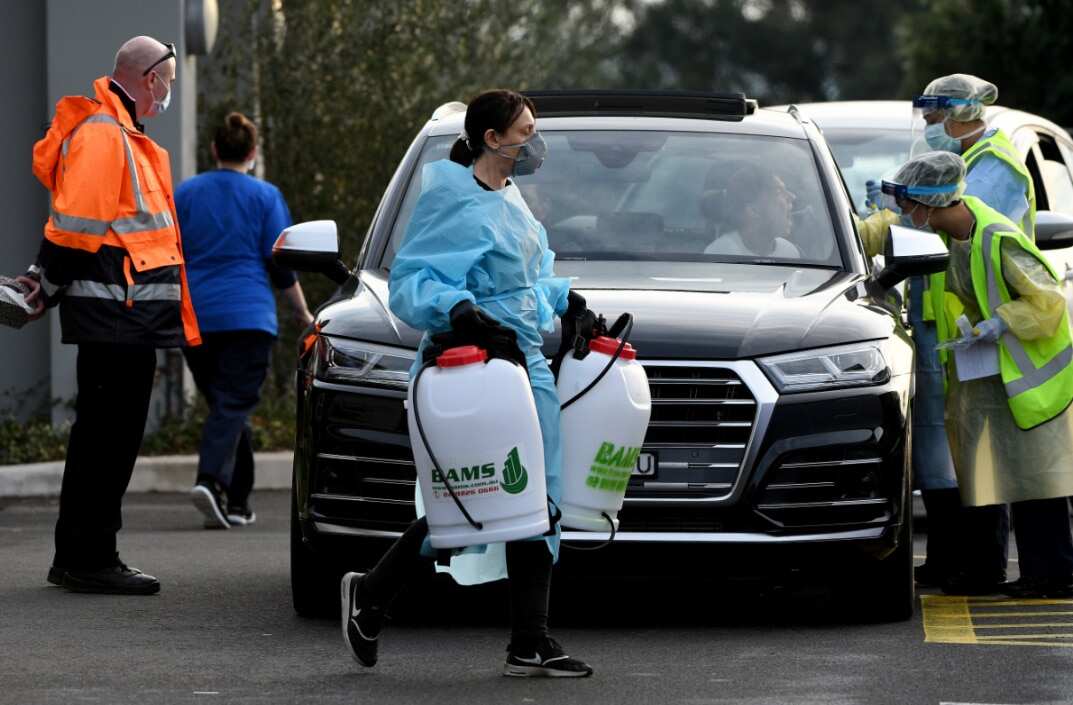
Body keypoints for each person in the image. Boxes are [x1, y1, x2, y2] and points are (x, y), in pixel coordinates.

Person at [339, 89, 594, 677]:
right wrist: (458, 311)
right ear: (493, 139)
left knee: (538, 496)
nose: (536, 141)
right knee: (477, 494)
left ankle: (530, 640)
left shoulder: (512, 199)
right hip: (472, 364)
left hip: (522, 360)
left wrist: (570, 302)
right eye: (526, 131)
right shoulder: (452, 200)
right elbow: (413, 282)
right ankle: (373, 594)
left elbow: (532, 277)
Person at [15, 36, 200, 595]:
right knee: (107, 441)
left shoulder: (120, 133)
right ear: (149, 80)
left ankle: (81, 553)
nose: (168, 91)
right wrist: (43, 284)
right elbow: (77, 227)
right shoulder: (105, 133)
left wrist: (43, 284)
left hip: (126, 318)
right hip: (117, 317)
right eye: (167, 81)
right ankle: (90, 557)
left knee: (104, 438)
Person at [882, 151, 1073, 599]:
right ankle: (984, 570)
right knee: (982, 472)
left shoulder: (995, 237)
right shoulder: (951, 236)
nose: (907, 214)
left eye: (911, 204)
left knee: (1034, 480)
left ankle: (1054, 574)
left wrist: (1001, 321)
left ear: (932, 201)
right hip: (983, 374)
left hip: (1029, 379)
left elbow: (1048, 301)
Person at [175, 112, 313, 529]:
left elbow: (168, 253)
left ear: (214, 149)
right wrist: (301, 311)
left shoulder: (184, 193)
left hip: (195, 318)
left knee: (226, 406)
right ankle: (210, 480)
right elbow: (281, 261)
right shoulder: (265, 196)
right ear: (252, 153)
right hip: (248, 316)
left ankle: (237, 501)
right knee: (232, 405)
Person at [702, 163, 801, 259]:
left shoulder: (790, 253)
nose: (792, 197)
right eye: (778, 192)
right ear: (753, 210)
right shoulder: (718, 255)